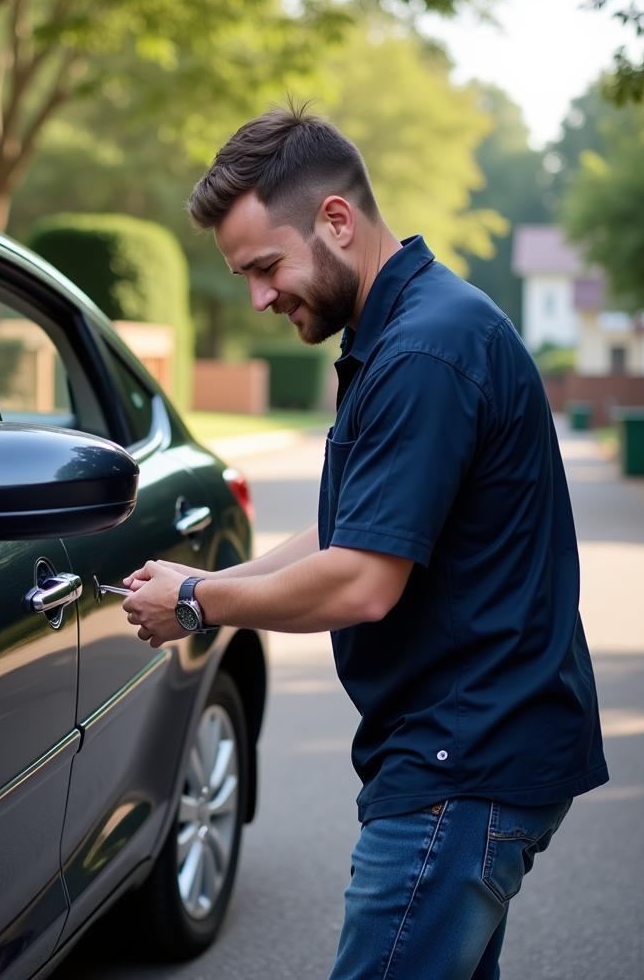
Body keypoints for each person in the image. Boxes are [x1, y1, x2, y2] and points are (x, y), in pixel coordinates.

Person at [121, 104, 608, 980]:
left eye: (267, 266)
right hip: (472, 753)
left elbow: (361, 583)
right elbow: (354, 527)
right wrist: (218, 577)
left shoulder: (425, 350)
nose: (260, 296)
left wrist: (197, 604)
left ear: (336, 221)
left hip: (463, 763)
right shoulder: (408, 329)